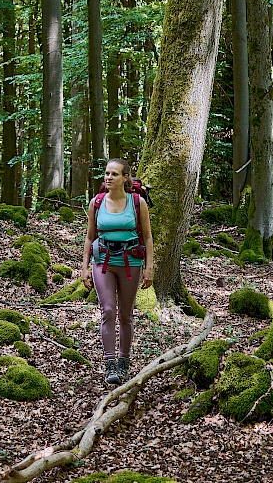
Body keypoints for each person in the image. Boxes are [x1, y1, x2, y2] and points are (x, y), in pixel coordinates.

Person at [82, 158, 154, 385]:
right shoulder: (96, 202)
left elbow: (149, 236)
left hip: (131, 262)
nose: (109, 178)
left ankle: (124, 361)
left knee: (125, 313)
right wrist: (84, 267)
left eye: (114, 174)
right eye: (107, 174)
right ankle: (110, 362)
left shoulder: (137, 203)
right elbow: (89, 236)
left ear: (125, 178)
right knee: (108, 310)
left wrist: (149, 267)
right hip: (102, 261)